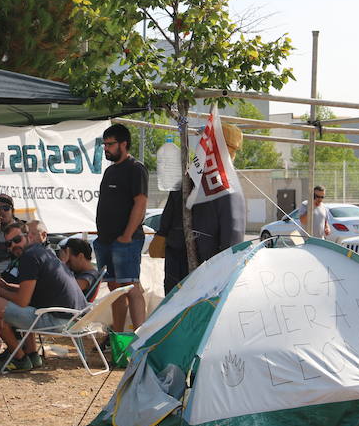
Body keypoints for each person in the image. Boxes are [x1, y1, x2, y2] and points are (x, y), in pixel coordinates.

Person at [157, 123, 247, 292]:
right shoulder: (227, 190)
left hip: (180, 273)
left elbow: (164, 225)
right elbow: (232, 244)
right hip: (207, 277)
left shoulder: (184, 182)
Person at [0, 222, 87, 372]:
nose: (13, 246)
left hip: (59, 321)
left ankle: (20, 358)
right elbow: (28, 291)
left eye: (17, 240)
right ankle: (32, 354)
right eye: (9, 243)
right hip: (76, 318)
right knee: (28, 304)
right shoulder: (43, 252)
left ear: (29, 236)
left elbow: (22, 300)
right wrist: (6, 286)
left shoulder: (29, 257)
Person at [95, 123, 148, 332]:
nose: (106, 148)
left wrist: (126, 236)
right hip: (105, 241)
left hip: (126, 241)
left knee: (132, 289)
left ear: (123, 144)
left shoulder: (136, 169)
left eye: (110, 144)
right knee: (115, 290)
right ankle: (118, 337)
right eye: (104, 145)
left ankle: (139, 340)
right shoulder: (110, 172)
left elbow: (140, 203)